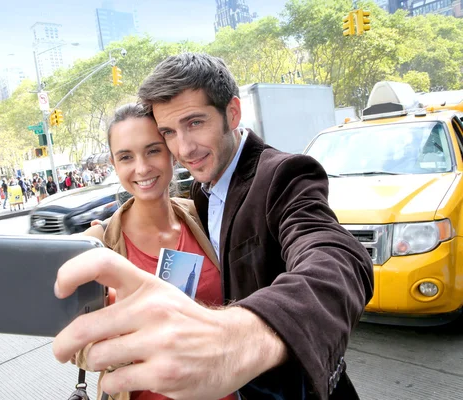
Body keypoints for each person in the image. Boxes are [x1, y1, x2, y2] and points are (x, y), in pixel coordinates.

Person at [52, 53, 374, 400]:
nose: (185, 148)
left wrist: (244, 337)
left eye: (195, 123)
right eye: (169, 132)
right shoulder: (201, 195)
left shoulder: (283, 175)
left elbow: (335, 256)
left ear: (232, 113)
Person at [72, 103, 237, 400]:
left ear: (171, 152)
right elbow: (76, 348)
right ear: (114, 163)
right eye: (126, 157)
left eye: (152, 150)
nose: (142, 168)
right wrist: (126, 342)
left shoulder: (204, 215)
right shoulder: (98, 245)